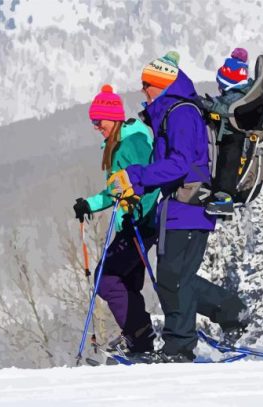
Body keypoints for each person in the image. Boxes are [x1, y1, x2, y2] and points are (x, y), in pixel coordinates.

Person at [108, 52, 248, 362]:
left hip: (191, 206)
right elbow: (169, 167)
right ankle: (231, 312)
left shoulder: (182, 112)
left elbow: (181, 163)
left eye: (146, 84)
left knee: (174, 278)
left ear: (160, 84)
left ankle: (180, 347)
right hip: (178, 207)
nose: (143, 91)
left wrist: (135, 175)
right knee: (173, 278)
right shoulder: (171, 111)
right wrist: (136, 186)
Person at [73, 84, 160, 353]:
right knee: (126, 282)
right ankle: (140, 338)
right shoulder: (120, 142)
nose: (96, 126)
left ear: (114, 118)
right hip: (134, 222)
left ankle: (139, 336)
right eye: (93, 122)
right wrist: (90, 203)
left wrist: (138, 207)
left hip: (140, 223)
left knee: (106, 278)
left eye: (99, 121)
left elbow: (148, 179)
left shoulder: (132, 142)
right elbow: (115, 190)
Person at [202, 47, 254, 215]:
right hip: (232, 135)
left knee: (228, 157)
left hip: (234, 138)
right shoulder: (242, 92)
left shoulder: (238, 96)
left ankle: (224, 198)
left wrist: (205, 104)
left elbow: (225, 108)